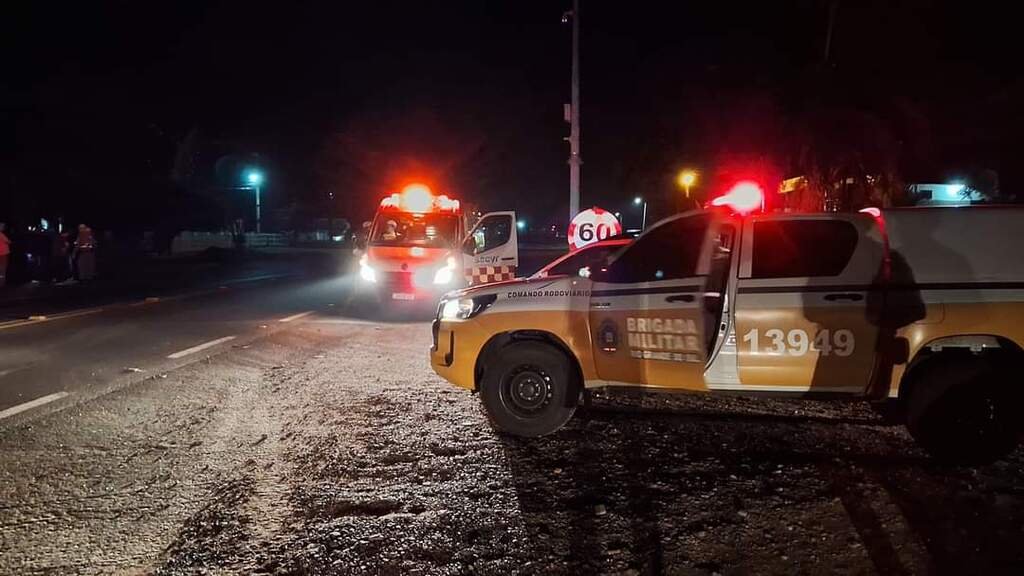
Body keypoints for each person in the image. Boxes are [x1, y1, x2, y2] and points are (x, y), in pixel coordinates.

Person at [0, 222, 10, 288]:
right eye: (2, 226)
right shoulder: (1, 234)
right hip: (3, 253)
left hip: (2, 253)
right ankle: (1, 283)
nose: (3, 227)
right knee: (3, 269)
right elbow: (8, 241)